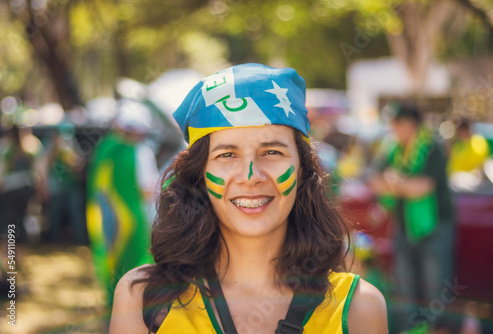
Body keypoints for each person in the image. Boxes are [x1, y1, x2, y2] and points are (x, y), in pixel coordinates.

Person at [109, 64, 387, 333]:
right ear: (199, 175)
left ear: (304, 170)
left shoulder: (358, 308)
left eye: (272, 152)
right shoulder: (145, 300)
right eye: (226, 155)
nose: (251, 176)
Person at [369, 102, 455, 332]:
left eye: (396, 123)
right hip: (404, 227)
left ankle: (436, 329)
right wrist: (401, 185)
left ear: (409, 124)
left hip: (435, 228)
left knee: (434, 290)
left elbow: (423, 187)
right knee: (405, 289)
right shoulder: (392, 147)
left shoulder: (432, 147)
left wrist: (393, 182)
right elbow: (374, 181)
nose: (393, 128)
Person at [86, 99, 159, 307]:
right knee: (136, 270)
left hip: (106, 219)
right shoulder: (141, 152)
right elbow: (148, 191)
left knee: (113, 267)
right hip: (134, 222)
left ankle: (112, 307)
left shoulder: (105, 147)